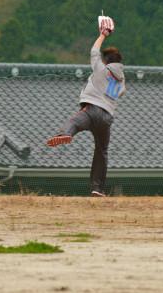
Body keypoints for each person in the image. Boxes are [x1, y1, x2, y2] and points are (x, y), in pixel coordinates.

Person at [47, 17, 125, 197]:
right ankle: (98, 188)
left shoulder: (101, 69)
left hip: (92, 111)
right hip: (107, 118)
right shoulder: (121, 80)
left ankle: (65, 134)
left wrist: (103, 35)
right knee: (102, 151)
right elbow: (120, 93)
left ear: (106, 62)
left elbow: (94, 51)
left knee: (74, 122)